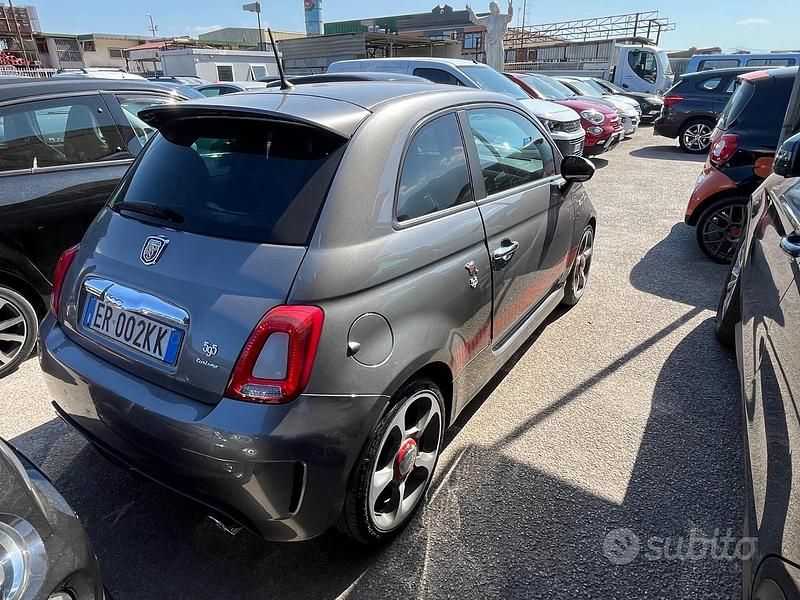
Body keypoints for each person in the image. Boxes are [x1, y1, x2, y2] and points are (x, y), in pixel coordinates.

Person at [466, 1, 513, 72]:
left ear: (496, 7)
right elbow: (477, 20)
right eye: (490, 6)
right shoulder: (487, 19)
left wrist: (510, 8)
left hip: (498, 42)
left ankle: (498, 75)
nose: (492, 8)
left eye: (493, 6)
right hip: (489, 43)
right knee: (490, 60)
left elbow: (509, 17)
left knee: (497, 60)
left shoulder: (501, 17)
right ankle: (491, 74)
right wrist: (470, 11)